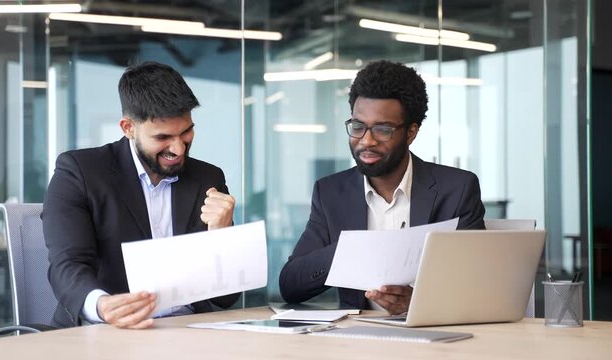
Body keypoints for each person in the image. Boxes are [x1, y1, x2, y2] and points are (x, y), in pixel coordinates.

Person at [278, 60, 485, 315]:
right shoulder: (331, 193)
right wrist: (350, 249)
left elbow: (478, 287)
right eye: (357, 126)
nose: (366, 141)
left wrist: (418, 303)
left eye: (382, 130)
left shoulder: (457, 189)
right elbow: (290, 285)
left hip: (435, 341)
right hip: (357, 343)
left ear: (411, 132)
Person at [43, 61, 239, 329]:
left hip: (189, 333)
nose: (179, 149)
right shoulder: (80, 172)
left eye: (186, 132)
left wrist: (220, 235)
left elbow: (226, 298)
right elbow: (67, 264)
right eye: (163, 137)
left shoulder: (207, 179)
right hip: (106, 331)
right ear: (128, 127)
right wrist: (101, 306)